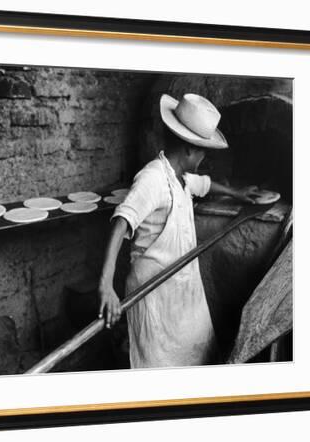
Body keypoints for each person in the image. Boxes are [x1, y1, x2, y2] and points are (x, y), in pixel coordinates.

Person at [98, 93, 260, 368]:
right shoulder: (153, 179)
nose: (204, 156)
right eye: (202, 150)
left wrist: (237, 193)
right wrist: (106, 286)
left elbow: (203, 184)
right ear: (187, 150)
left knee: (195, 353)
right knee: (160, 364)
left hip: (181, 286)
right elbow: (121, 221)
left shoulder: (179, 177)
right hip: (154, 293)